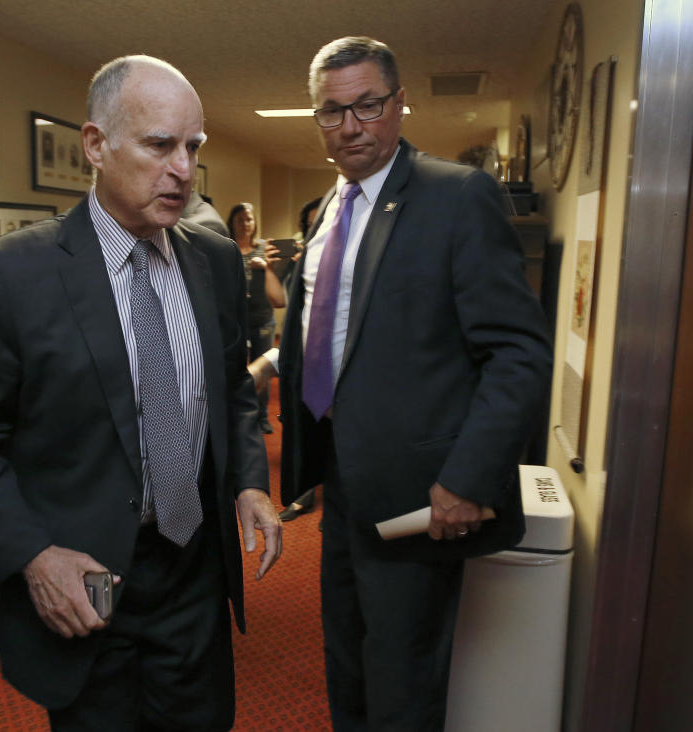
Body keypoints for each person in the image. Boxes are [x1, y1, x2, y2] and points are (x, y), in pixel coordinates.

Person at [0, 55, 281, 732]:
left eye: (193, 148)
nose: (183, 169)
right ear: (95, 145)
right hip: (86, 576)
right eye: (159, 146)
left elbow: (231, 387)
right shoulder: (13, 276)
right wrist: (32, 556)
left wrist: (248, 482)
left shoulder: (214, 261)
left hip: (193, 569)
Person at [277, 37, 553, 730]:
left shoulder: (456, 197)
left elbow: (518, 352)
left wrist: (468, 478)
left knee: (402, 680)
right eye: (331, 112)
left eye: (368, 105)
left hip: (420, 493)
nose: (350, 126)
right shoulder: (329, 211)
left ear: (400, 105)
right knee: (347, 658)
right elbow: (330, 332)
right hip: (338, 481)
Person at [228, 202, 286, 433]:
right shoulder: (226, 247)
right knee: (238, 367)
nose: (245, 224)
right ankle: (242, 413)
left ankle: (261, 416)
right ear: (232, 222)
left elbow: (279, 286)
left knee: (264, 367)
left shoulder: (263, 248)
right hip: (236, 319)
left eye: (249, 219)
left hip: (262, 318)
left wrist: (265, 267)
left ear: (255, 223)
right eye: (240, 219)